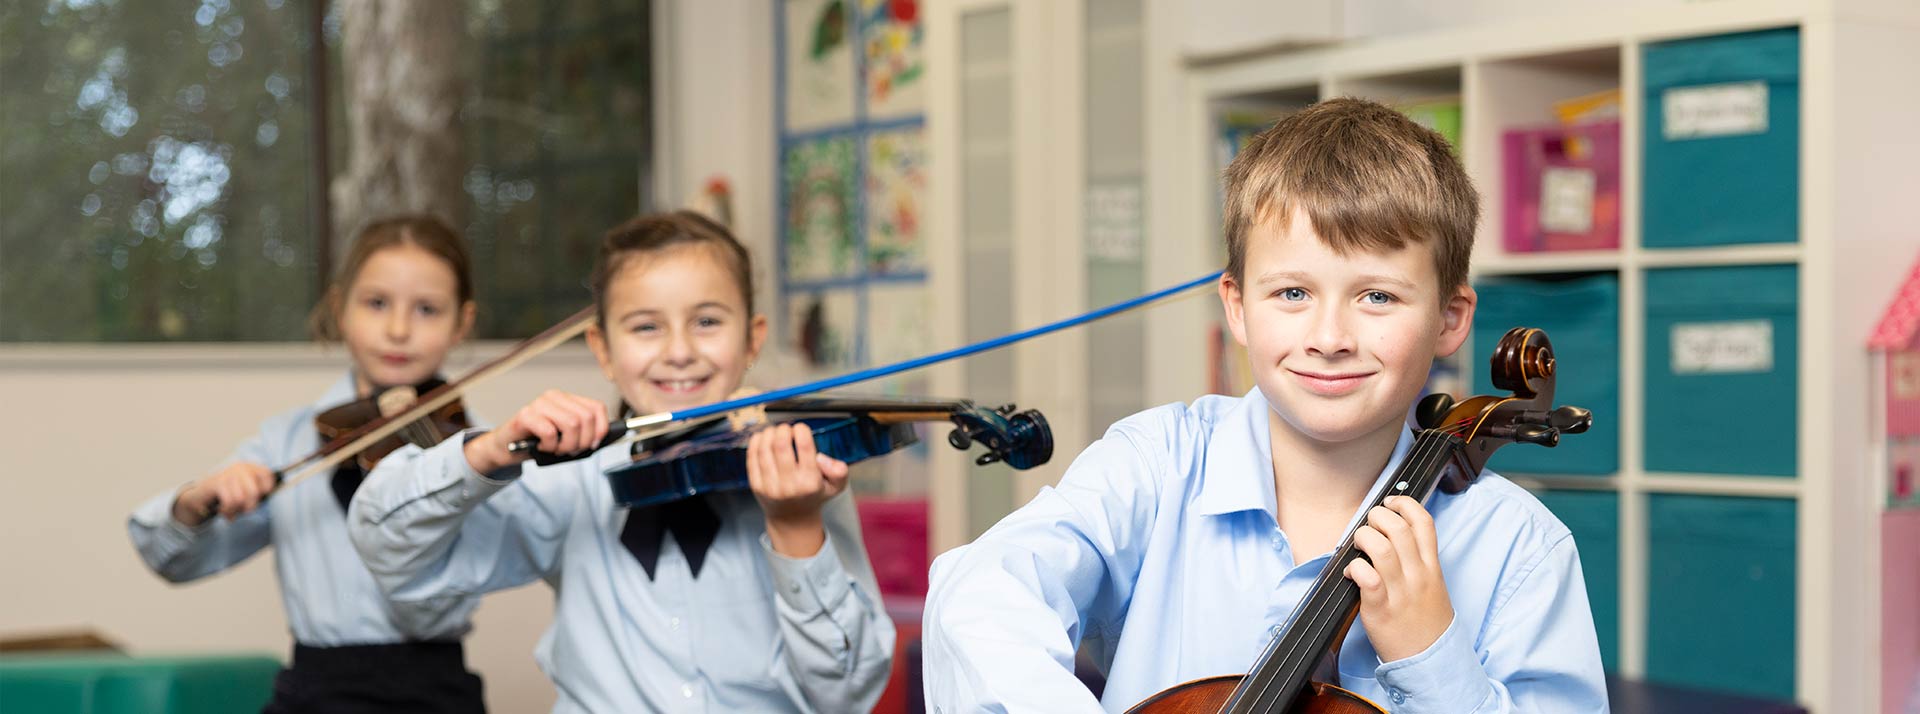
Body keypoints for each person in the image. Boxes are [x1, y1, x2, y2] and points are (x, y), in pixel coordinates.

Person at [922, 98, 1608, 713]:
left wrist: (1432, 660)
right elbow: (980, 594)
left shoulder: (1521, 550)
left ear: (1451, 318)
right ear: (1238, 307)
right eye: (1292, 294)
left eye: (1378, 296)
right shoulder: (1159, 464)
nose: (1331, 339)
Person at [347, 210, 894, 713]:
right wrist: (488, 450)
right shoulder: (573, 482)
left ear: (752, 341)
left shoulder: (799, 472)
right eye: (645, 327)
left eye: (707, 321)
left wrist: (796, 528)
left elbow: (848, 691)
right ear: (603, 349)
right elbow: (385, 545)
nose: (679, 350)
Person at [129, 215, 488, 713]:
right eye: (377, 303)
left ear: (461, 324)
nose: (399, 329)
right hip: (315, 694)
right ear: (340, 308)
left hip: (435, 693)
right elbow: (173, 560)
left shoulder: (476, 448)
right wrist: (197, 501)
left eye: (427, 309)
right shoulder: (287, 440)